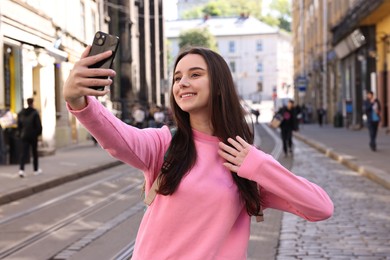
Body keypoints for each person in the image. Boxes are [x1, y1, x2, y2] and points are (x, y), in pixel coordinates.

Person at [63, 46, 333, 259]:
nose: (182, 83)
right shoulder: (163, 144)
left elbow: (320, 207)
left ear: (218, 86)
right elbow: (118, 138)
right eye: (177, 78)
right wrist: (79, 101)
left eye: (195, 74)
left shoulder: (245, 160)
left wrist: (258, 164)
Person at [17, 98, 42, 177]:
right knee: (34, 153)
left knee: (23, 153)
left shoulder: (21, 113)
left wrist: (21, 133)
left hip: (24, 135)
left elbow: (19, 126)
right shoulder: (35, 113)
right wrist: (37, 134)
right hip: (33, 136)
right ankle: (35, 170)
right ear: (32, 103)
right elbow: (39, 126)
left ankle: (21, 170)